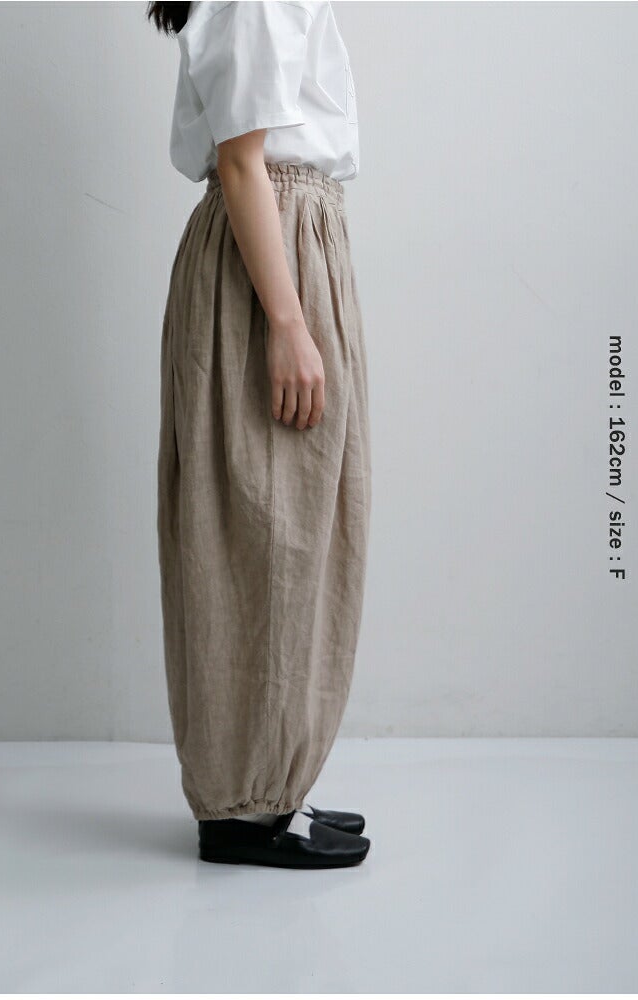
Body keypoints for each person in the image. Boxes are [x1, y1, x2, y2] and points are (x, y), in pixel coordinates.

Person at [147, 0, 372, 868]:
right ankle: (246, 808)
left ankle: (271, 788)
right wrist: (285, 320)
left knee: (289, 519)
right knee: (265, 528)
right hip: (267, 256)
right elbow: (244, 162)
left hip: (285, 241)